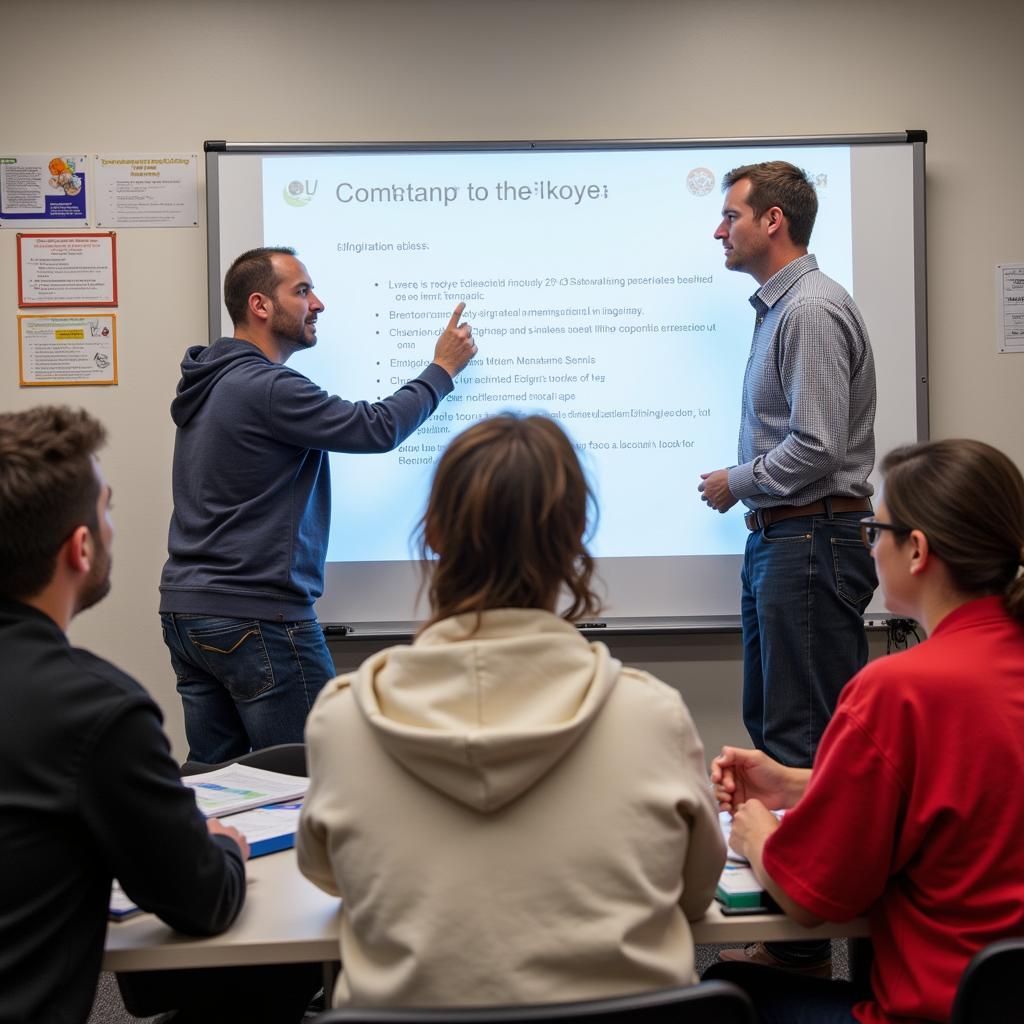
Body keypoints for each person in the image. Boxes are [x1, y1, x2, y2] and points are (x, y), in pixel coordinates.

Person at [296, 413, 726, 1008]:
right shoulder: (652, 717)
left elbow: (329, 877)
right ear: (575, 538)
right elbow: (695, 892)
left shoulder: (342, 722)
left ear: (436, 534)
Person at [705, 437, 1024, 1024]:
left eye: (874, 532)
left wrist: (753, 833)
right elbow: (962, 792)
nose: (869, 550)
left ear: (917, 550)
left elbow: (808, 897)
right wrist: (803, 784)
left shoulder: (900, 690)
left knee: (727, 987)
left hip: (934, 1013)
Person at [159, 246, 477, 764]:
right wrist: (441, 368)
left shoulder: (212, 384)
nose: (318, 303)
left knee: (214, 782)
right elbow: (376, 428)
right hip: (256, 617)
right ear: (260, 306)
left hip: (188, 612)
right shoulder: (265, 387)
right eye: (302, 291)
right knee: (319, 776)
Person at [0, 406, 251, 1023]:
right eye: (106, 507)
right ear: (81, 548)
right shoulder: (95, 712)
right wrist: (222, 848)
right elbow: (204, 901)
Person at [699, 160, 878, 770]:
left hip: (811, 537)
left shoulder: (810, 310)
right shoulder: (782, 308)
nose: (719, 232)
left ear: (773, 220)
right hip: (789, 537)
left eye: (731, 216)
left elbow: (816, 445)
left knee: (801, 741)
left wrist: (736, 481)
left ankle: (805, 868)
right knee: (779, 729)